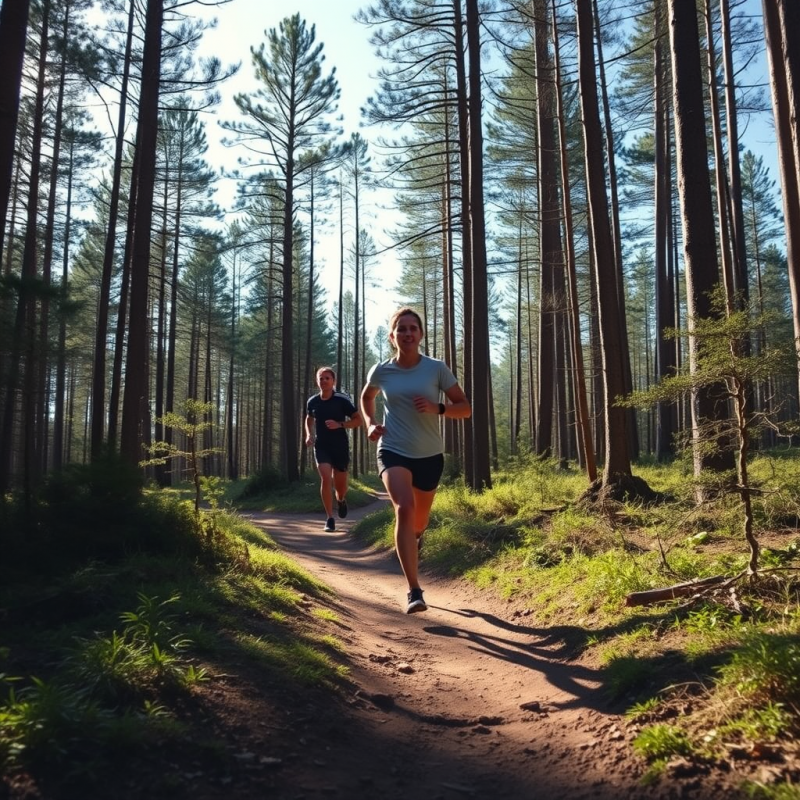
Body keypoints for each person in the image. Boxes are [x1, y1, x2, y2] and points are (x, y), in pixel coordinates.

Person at [360, 308, 471, 613]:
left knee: (418, 522)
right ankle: (414, 590)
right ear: (392, 336)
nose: (407, 333)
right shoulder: (381, 371)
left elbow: (465, 407)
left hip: (429, 455)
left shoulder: (436, 369)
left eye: (413, 328)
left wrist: (439, 409)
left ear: (421, 334)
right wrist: (370, 422)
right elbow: (366, 397)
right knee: (403, 508)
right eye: (401, 329)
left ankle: (417, 537)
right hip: (393, 448)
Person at [305, 367, 362, 532]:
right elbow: (309, 418)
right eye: (320, 378)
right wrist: (309, 434)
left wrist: (340, 424)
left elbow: (358, 420)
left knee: (340, 485)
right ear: (317, 381)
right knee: (325, 478)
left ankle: (342, 499)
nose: (323, 381)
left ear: (333, 381)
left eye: (327, 378)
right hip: (322, 446)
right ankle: (329, 518)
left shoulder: (342, 400)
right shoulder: (313, 401)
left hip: (340, 447)